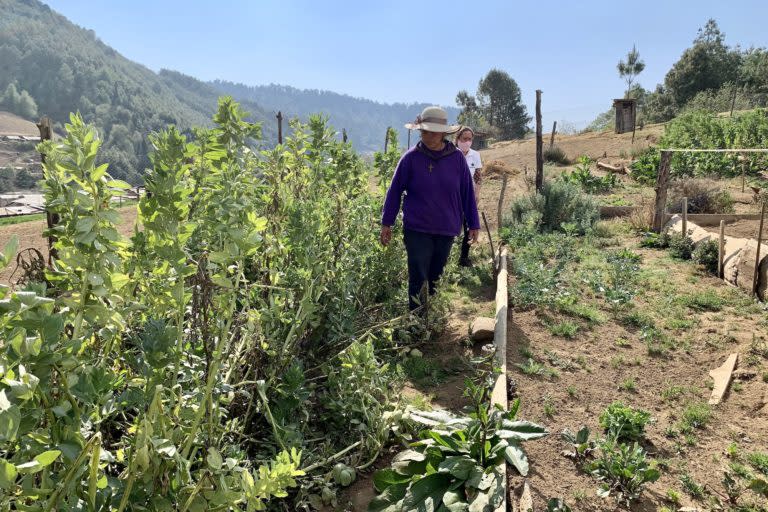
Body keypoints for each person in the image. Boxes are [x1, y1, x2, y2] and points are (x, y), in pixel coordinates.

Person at [380, 106, 481, 310]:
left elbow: (467, 193)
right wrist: (386, 222)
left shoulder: (457, 159)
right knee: (418, 274)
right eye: (423, 130)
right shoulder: (410, 158)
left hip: (446, 227)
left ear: (443, 133)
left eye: (431, 131)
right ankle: (416, 320)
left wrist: (473, 223)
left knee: (436, 275)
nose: (426, 135)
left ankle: (430, 316)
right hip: (417, 228)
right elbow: (394, 190)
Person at [454, 126, 483, 267]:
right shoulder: (451, 154)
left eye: (470, 139)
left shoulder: (475, 155)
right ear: (458, 139)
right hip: (452, 197)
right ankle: (447, 257)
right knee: (452, 225)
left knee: (469, 226)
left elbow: (478, 177)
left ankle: (464, 257)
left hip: (468, 197)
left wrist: (477, 194)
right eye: (464, 139)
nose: (467, 142)